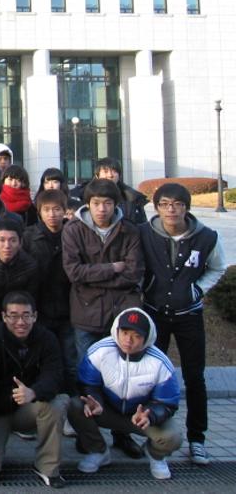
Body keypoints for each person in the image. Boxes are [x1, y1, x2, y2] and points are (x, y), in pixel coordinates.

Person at [139, 183, 227, 464]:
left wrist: (197, 290)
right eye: (165, 204)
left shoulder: (206, 237)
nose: (171, 210)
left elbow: (217, 267)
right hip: (155, 313)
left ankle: (197, 439)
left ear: (186, 208)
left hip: (189, 315)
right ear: (156, 207)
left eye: (177, 204)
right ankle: (154, 435)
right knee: (152, 375)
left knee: (194, 377)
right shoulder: (144, 233)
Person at [62, 177, 145, 459]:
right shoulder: (73, 229)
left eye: (107, 203)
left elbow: (133, 273)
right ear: (88, 204)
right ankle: (89, 436)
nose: (102, 209)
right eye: (96, 203)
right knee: (86, 376)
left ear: (115, 204)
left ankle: (123, 434)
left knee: (122, 377)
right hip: (85, 312)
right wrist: (111, 268)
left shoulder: (129, 230)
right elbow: (74, 272)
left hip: (119, 313)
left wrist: (95, 275)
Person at [0, 291, 68, 488]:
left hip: (28, 408)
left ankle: (47, 467)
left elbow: (55, 376)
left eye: (26, 315)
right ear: (4, 317)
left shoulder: (47, 338)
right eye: (13, 316)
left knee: (58, 403)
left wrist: (34, 392)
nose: (20, 322)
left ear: (35, 316)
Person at [68, 308, 182, 480]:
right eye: (125, 332)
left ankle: (155, 455)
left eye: (136, 335)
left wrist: (150, 415)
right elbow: (87, 384)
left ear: (147, 338)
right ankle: (98, 451)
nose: (128, 340)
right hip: (107, 411)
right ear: (117, 331)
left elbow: (167, 402)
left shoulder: (160, 363)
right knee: (75, 405)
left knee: (173, 436)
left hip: (140, 417)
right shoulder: (99, 351)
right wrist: (96, 401)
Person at [22, 190, 76, 395]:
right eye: (46, 210)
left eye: (57, 209)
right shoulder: (29, 236)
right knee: (41, 359)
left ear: (64, 211)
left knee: (70, 359)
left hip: (69, 308)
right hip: (40, 307)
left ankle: (73, 401)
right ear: (39, 212)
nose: (52, 214)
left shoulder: (73, 233)